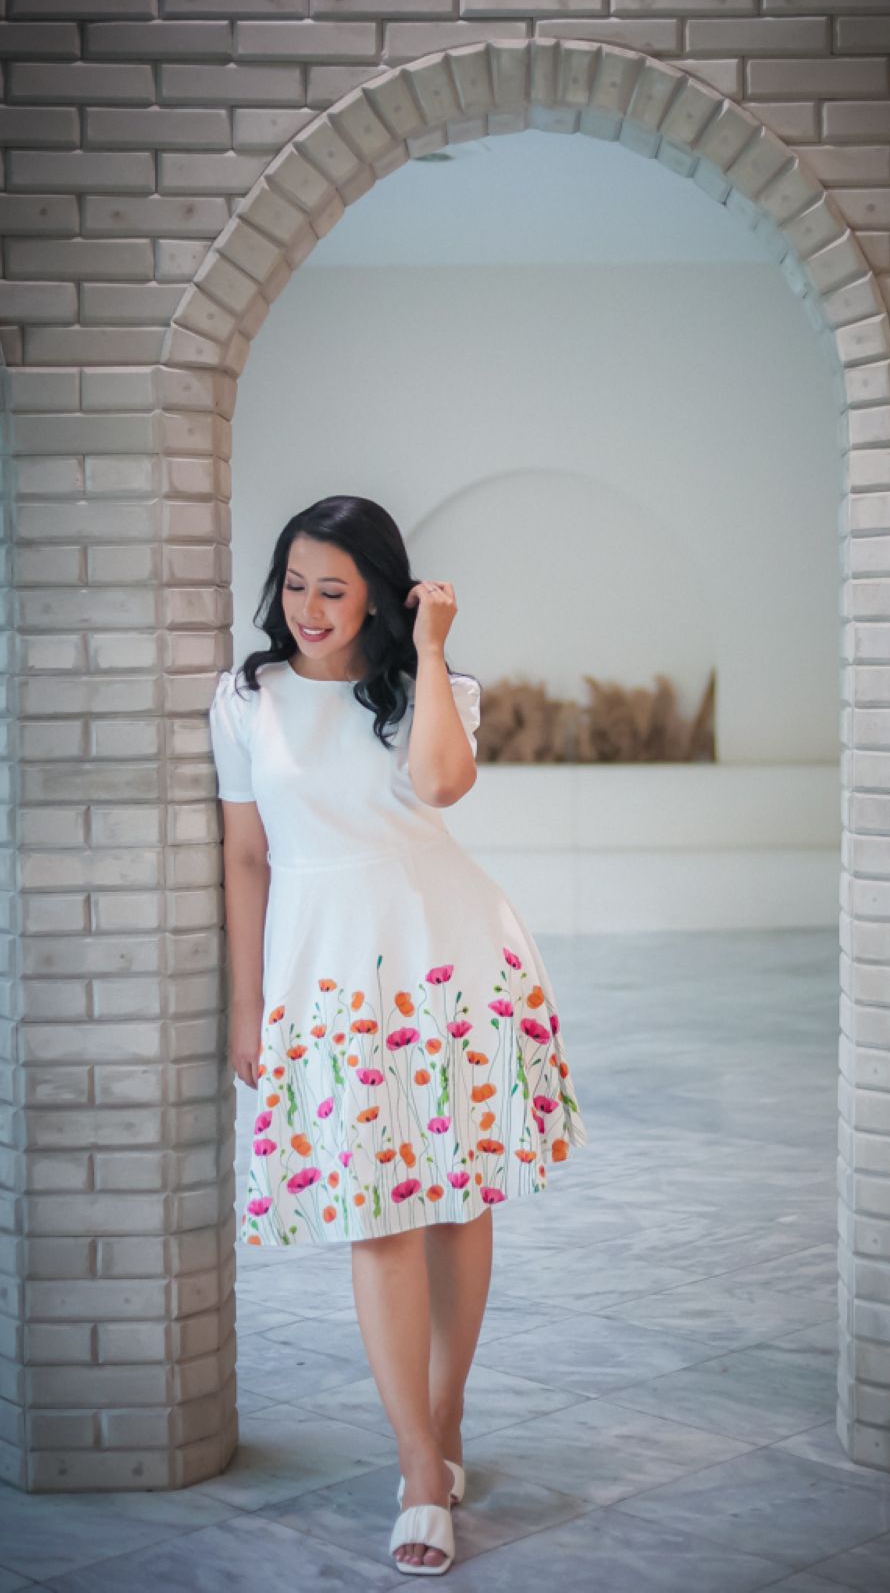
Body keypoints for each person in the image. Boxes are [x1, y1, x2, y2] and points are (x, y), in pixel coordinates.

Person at [208, 495, 589, 1576]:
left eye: (333, 588)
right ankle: (420, 1466)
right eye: (294, 584)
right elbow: (247, 857)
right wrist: (247, 1006)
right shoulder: (245, 699)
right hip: (325, 969)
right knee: (371, 1216)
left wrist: (428, 650)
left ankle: (444, 1417)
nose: (308, 607)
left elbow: (440, 786)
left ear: (379, 592)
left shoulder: (434, 689)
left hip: (444, 957)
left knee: (456, 1202)